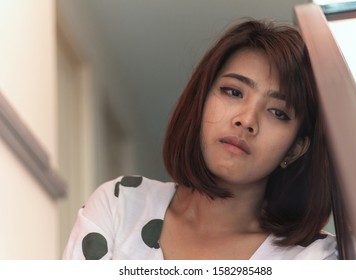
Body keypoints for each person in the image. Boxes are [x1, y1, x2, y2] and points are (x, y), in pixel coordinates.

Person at [62, 19, 338, 260]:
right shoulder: (120, 205)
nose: (246, 120)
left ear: (296, 149)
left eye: (277, 112)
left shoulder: (313, 258)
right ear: (201, 102)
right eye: (233, 92)